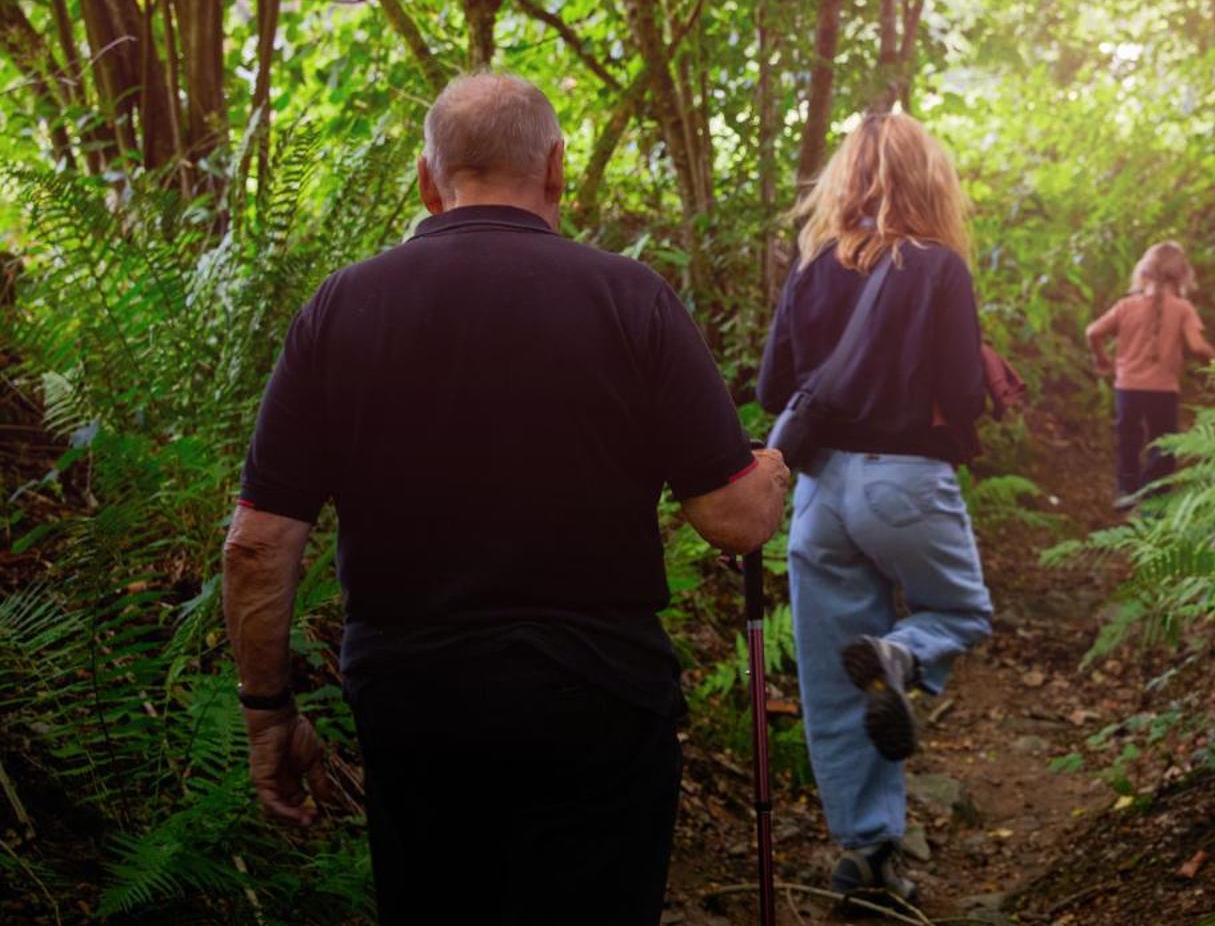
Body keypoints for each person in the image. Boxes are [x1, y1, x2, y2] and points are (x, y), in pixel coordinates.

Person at [222, 72, 789, 926]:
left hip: (417, 707)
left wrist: (268, 713)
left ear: (427, 178)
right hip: (598, 702)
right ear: (558, 168)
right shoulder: (631, 297)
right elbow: (733, 519)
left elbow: (257, 545)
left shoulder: (340, 308)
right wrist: (771, 473)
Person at [757, 111, 994, 907]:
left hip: (821, 493)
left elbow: (771, 390)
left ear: (843, 179)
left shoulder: (814, 266)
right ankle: (903, 655)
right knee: (955, 612)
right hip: (905, 480)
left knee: (830, 682)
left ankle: (867, 853)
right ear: (929, 178)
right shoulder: (937, 266)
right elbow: (962, 390)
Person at [1086, 242, 1215, 509]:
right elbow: (1197, 346)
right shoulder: (1182, 309)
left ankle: (1126, 491)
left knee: (1128, 441)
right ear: (1182, 276)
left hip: (1127, 387)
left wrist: (1102, 358)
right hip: (1164, 389)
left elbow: (1093, 332)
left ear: (1143, 273)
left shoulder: (1126, 306)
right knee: (1164, 444)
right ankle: (1155, 498)